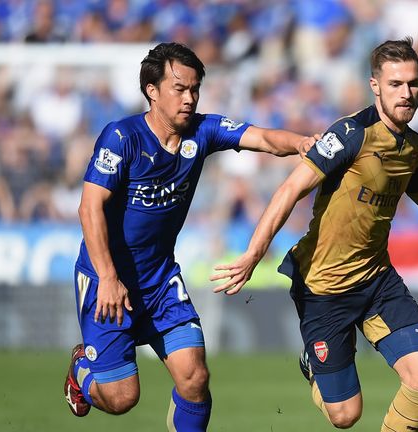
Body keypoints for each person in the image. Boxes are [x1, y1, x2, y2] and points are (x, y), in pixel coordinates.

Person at [211, 37, 418, 431]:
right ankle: (313, 367)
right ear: (375, 86)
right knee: (345, 416)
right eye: (396, 85)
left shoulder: (413, 148)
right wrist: (253, 253)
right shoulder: (351, 134)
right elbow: (289, 191)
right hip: (324, 286)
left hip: (376, 281)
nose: (407, 94)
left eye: (413, 84)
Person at [63, 42, 314, 431]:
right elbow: (89, 208)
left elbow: (262, 138)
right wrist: (109, 279)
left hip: (160, 279)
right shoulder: (121, 137)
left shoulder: (204, 131)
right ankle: (82, 368)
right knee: (122, 398)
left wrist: (300, 144)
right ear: (152, 90)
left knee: (195, 377)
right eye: (179, 89)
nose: (190, 98)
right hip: (106, 279)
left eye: (195, 89)